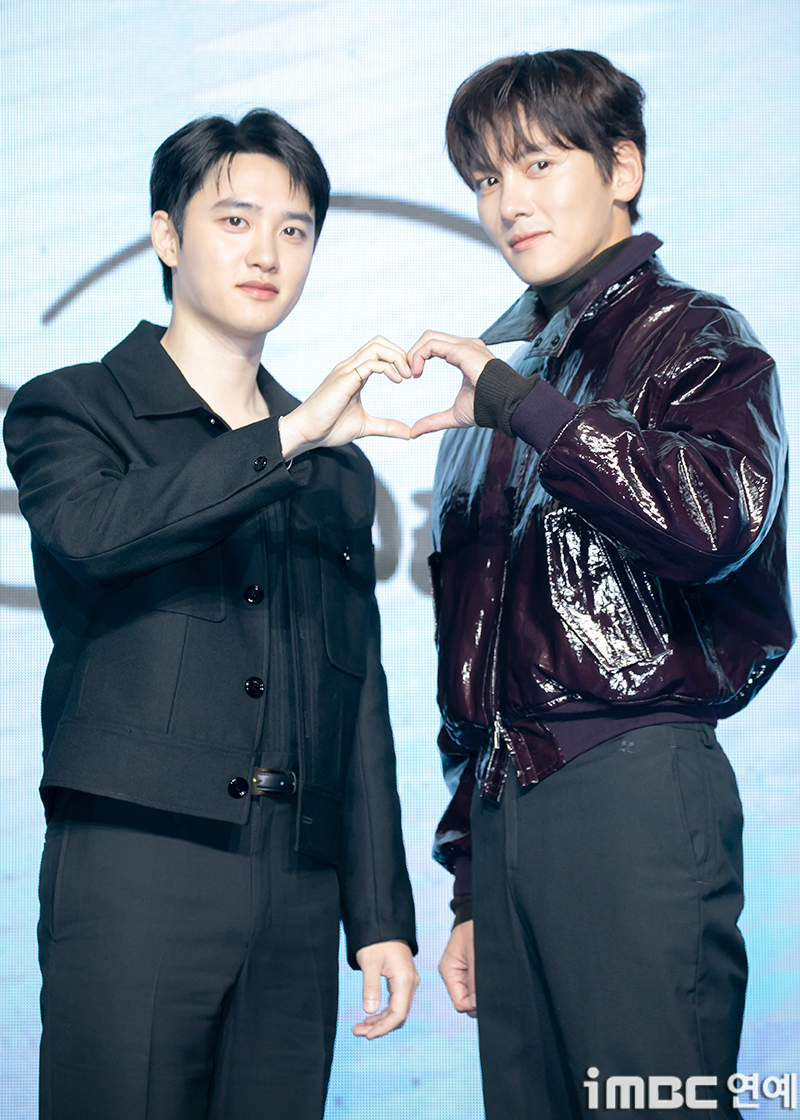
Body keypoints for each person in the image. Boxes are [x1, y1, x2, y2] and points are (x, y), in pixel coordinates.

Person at [4, 109, 418, 1120]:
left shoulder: (335, 466)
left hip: (298, 881)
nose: (266, 251)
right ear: (165, 234)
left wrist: (379, 913)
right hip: (138, 861)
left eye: (294, 228)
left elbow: (355, 694)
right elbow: (95, 532)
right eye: (235, 220)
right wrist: (289, 435)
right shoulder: (72, 406)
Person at [407, 50, 793, 1119]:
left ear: (622, 168)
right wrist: (470, 879)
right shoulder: (504, 376)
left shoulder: (694, 334)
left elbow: (715, 519)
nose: (509, 201)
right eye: (487, 178)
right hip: (506, 811)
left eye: (538, 163)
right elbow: (473, 644)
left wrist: (527, 410)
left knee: (652, 1103)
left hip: (631, 782)